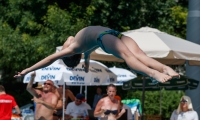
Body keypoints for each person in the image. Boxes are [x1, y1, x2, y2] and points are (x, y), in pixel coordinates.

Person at [14, 26, 179, 83]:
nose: (65, 42)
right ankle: (154, 73)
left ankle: (165, 69)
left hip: (112, 35)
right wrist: (28, 70)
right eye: (62, 49)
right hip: (107, 37)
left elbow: (88, 51)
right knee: (129, 56)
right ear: (67, 55)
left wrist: (86, 61)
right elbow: (49, 59)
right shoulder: (72, 49)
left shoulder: (81, 48)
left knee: (140, 55)